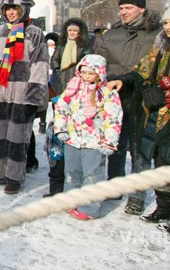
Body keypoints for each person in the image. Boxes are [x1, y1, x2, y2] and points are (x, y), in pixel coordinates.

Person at [108, 4, 170, 233]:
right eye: (166, 22)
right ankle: (164, 207)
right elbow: (142, 70)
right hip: (156, 111)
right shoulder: (160, 45)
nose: (168, 27)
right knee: (159, 161)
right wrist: (124, 80)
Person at [93, 0, 162, 215]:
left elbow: (157, 66)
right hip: (116, 97)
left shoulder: (157, 34)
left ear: (141, 9)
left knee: (141, 148)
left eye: (128, 8)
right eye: (121, 8)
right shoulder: (111, 35)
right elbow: (99, 64)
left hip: (144, 98)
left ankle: (137, 195)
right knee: (116, 143)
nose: (123, 12)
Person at [0, 0, 49, 195]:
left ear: (24, 10)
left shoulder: (34, 34)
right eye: (8, 9)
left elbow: (40, 67)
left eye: (15, 9)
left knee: (17, 138)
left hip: (22, 94)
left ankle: (14, 177)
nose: (11, 13)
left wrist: (33, 98)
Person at [54, 54, 122, 220]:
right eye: (83, 72)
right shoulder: (73, 89)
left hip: (95, 142)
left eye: (91, 73)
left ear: (99, 73)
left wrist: (110, 141)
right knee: (72, 172)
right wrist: (61, 129)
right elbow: (61, 108)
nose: (86, 76)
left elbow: (113, 118)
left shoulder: (107, 93)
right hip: (72, 139)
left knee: (92, 175)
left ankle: (90, 208)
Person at [43, 18, 90, 196]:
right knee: (58, 125)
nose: (72, 33)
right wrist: (58, 70)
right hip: (60, 87)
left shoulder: (84, 47)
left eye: (75, 31)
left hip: (77, 89)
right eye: (70, 31)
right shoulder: (62, 46)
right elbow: (54, 60)